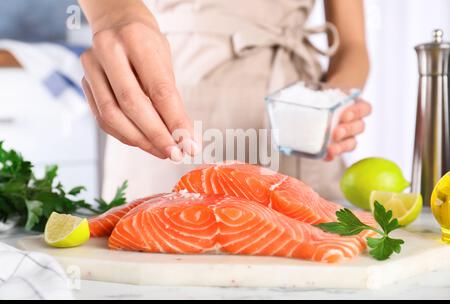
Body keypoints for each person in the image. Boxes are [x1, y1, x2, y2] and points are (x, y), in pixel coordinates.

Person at [78, 0, 371, 200]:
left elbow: (353, 46)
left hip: (294, 130)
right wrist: (112, 14)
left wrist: (332, 106)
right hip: (166, 103)